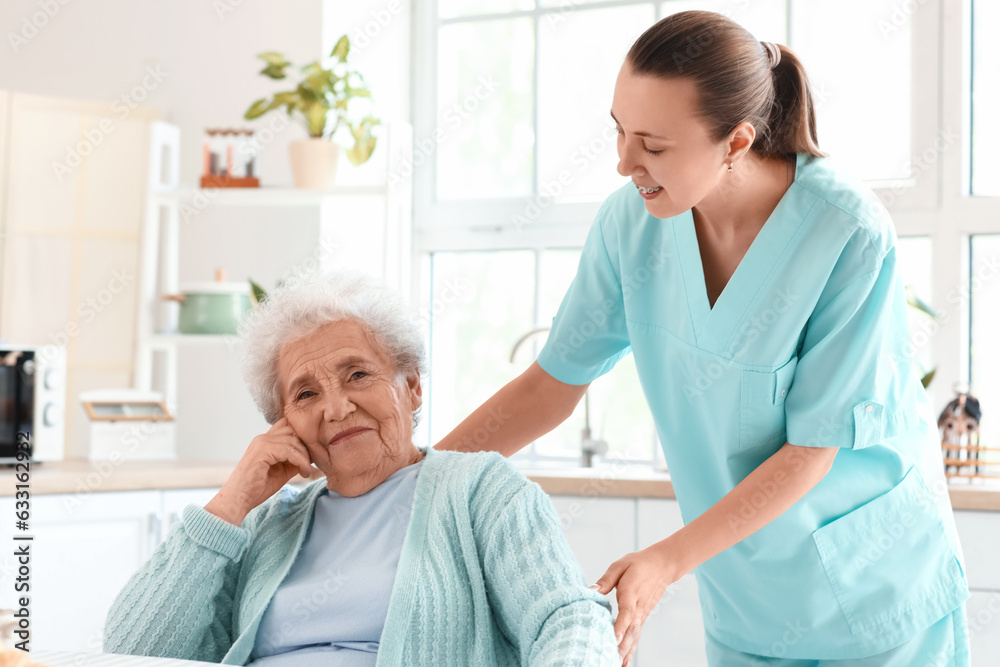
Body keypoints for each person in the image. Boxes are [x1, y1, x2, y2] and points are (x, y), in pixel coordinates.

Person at [435, 10, 970, 667]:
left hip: (877, 600)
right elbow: (551, 383)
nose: (623, 162)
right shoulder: (632, 225)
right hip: (748, 606)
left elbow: (811, 451)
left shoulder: (846, 232)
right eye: (619, 131)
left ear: (737, 141)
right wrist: (416, 484)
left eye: (653, 145)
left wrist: (664, 560)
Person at [103, 270, 618, 666]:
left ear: (411, 386)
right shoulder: (268, 525)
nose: (337, 408)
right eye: (306, 393)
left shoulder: (479, 491)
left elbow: (567, 618)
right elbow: (131, 651)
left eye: (358, 374)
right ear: (286, 423)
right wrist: (229, 504)